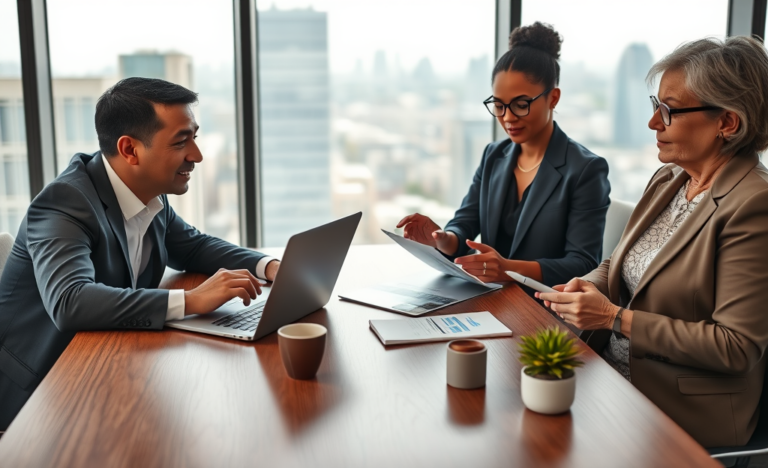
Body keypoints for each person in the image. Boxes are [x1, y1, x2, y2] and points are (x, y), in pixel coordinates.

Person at [0, 77, 279, 431]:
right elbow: (70, 301)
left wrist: (268, 266)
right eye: (181, 141)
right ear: (130, 150)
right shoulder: (64, 203)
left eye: (194, 135)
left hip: (108, 367)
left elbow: (192, 246)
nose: (197, 154)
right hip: (40, 397)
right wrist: (190, 301)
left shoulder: (149, 192)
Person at [538, 36, 768, 448]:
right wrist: (587, 285)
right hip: (611, 376)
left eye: (669, 111)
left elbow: (736, 347)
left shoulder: (755, 205)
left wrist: (613, 317)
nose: (653, 124)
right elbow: (620, 263)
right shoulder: (670, 178)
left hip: (678, 411)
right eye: (654, 106)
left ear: (727, 123)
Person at [397, 22, 610, 287]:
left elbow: (583, 263)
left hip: (543, 309)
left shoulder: (585, 169)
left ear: (553, 98)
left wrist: (507, 269)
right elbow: (465, 223)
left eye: (521, 105)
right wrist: (441, 238)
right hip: (490, 297)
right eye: (498, 105)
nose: (508, 117)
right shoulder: (494, 156)